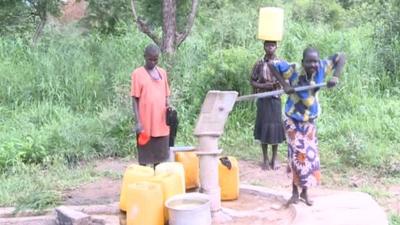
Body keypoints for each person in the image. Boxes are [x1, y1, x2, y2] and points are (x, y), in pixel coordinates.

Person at [270, 47, 346, 206]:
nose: (313, 64)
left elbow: (341, 56)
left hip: (309, 121)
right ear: (302, 62)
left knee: (310, 158)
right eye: (309, 61)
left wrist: (336, 77)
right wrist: (284, 84)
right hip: (293, 120)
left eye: (315, 61)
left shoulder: (322, 67)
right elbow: (272, 64)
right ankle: (294, 193)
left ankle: (305, 193)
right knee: (297, 157)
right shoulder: (293, 71)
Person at [250, 40, 288, 170]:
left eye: (272, 45)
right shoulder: (259, 64)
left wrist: (278, 84)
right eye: (267, 45)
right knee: (264, 128)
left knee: (275, 128)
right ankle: (265, 158)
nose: (269, 48)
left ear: (276, 47)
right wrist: (264, 85)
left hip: (275, 99)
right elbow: (253, 82)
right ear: (264, 47)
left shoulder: (281, 64)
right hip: (263, 99)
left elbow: (287, 81)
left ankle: (274, 158)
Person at [131, 44, 171, 167]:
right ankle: (145, 182)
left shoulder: (162, 73)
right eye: (150, 59)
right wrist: (138, 122)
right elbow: (134, 99)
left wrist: (170, 111)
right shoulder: (137, 74)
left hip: (161, 123)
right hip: (146, 123)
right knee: (144, 158)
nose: (153, 62)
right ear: (145, 57)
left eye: (156, 59)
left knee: (160, 159)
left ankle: (157, 182)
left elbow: (166, 96)